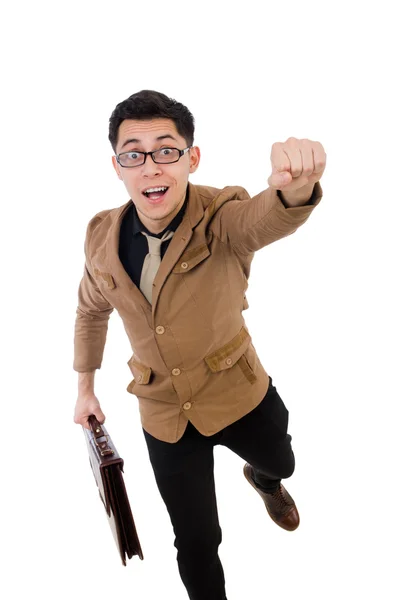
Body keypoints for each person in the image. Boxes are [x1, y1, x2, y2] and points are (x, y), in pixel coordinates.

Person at [73, 90, 326, 600]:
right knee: (195, 541)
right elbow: (89, 310)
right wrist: (86, 388)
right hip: (164, 413)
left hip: (238, 392)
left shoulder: (222, 213)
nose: (151, 167)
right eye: (134, 154)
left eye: (166, 150)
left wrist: (295, 191)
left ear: (191, 158)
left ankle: (265, 480)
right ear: (117, 166)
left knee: (284, 462)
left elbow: (264, 218)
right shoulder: (101, 236)